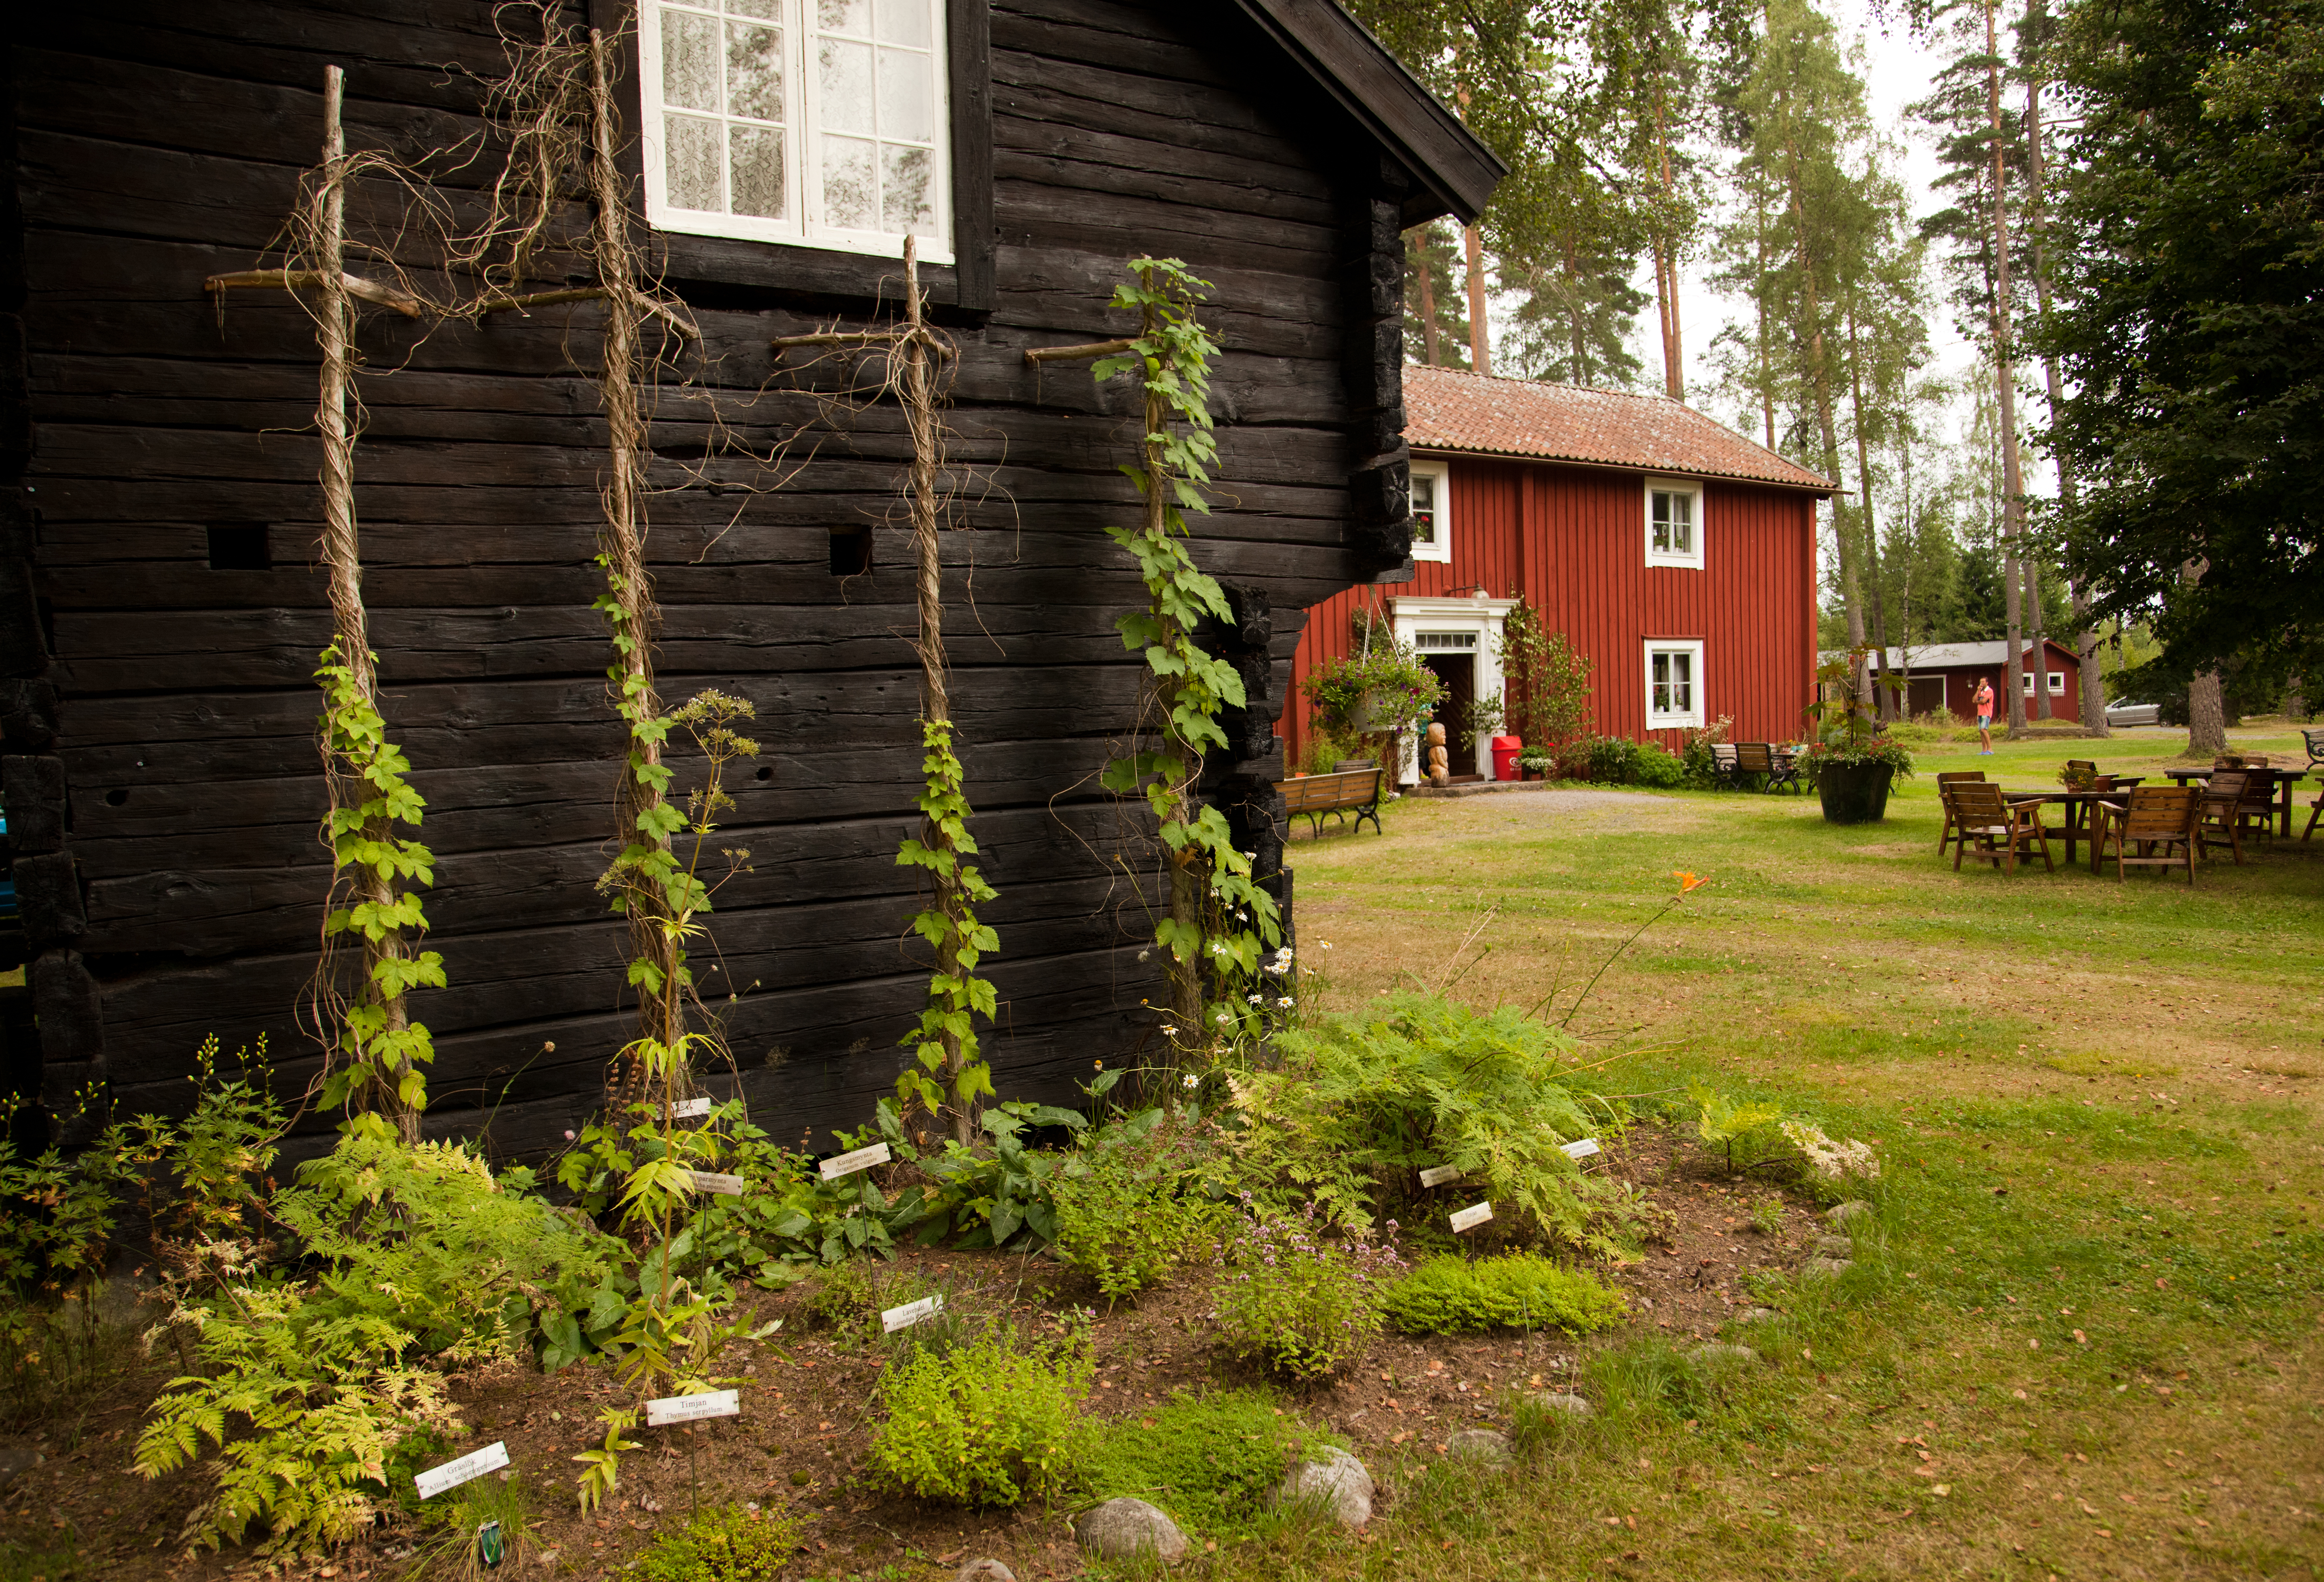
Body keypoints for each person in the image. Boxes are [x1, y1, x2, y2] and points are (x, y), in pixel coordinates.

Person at [1974, 675, 1996, 755]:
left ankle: (1990, 750)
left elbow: (1984, 701)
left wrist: (1978, 702)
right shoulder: (1980, 691)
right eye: (1981, 682)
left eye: (1983, 682)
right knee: (1981, 731)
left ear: (1987, 683)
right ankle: (1984, 750)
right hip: (1980, 713)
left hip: (1986, 713)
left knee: (1984, 730)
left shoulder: (1989, 691)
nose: (1982, 683)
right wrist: (1977, 691)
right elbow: (1974, 700)